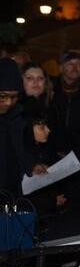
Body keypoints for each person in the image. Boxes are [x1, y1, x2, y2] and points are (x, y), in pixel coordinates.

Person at [49, 51, 80, 161]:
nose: (75, 67)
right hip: (53, 151)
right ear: (61, 68)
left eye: (79, 64)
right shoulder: (50, 89)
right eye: (70, 64)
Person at [0, 58, 33, 195]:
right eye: (3, 96)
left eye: (14, 97)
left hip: (12, 195)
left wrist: (32, 166)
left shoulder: (17, 119)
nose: (8, 102)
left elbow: (18, 155)